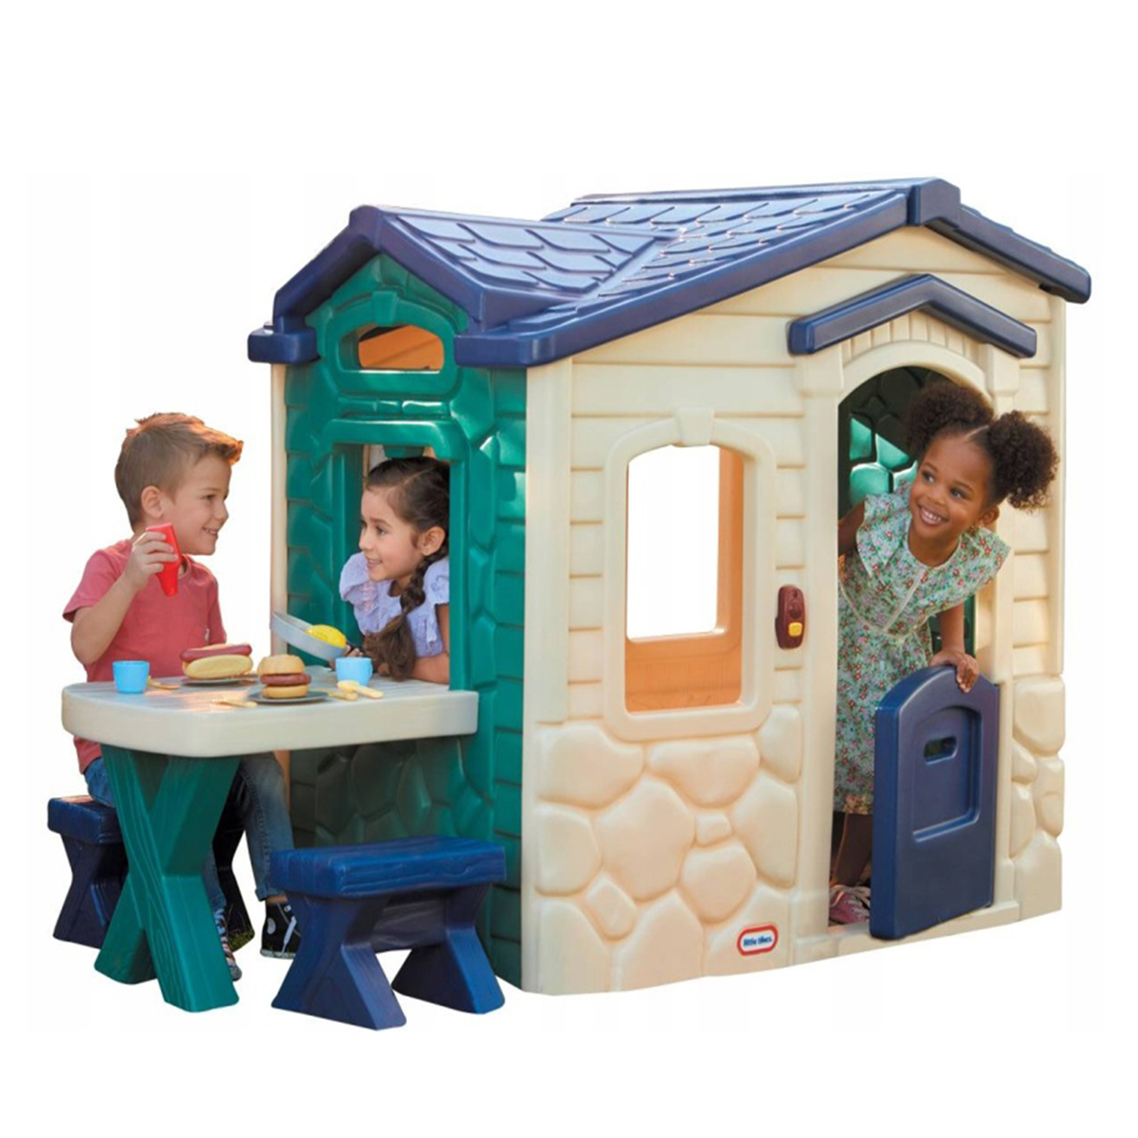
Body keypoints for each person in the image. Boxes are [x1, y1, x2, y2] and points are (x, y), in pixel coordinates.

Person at [64, 413, 300, 978]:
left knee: (261, 768)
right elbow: (84, 645)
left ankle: (281, 908)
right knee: (178, 799)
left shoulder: (203, 583)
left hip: (193, 749)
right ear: (156, 503)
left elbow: (210, 671)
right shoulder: (110, 566)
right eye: (210, 497)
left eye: (225, 498)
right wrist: (131, 582)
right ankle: (204, 922)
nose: (223, 513)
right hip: (119, 758)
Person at [829, 383, 1058, 925]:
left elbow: (950, 593)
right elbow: (824, 548)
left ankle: (841, 883)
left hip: (893, 662)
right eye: (928, 476)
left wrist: (954, 647)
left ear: (985, 514)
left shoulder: (969, 555)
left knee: (877, 774)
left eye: (958, 492)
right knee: (820, 754)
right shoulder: (879, 517)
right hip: (839, 643)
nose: (933, 498)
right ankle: (812, 869)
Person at [340, 456, 450, 684]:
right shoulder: (374, 585)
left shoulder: (439, 583)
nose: (364, 542)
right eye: (364, 525)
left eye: (380, 530)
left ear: (428, 540)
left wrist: (390, 667)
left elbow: (450, 667)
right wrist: (358, 660)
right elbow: (379, 654)